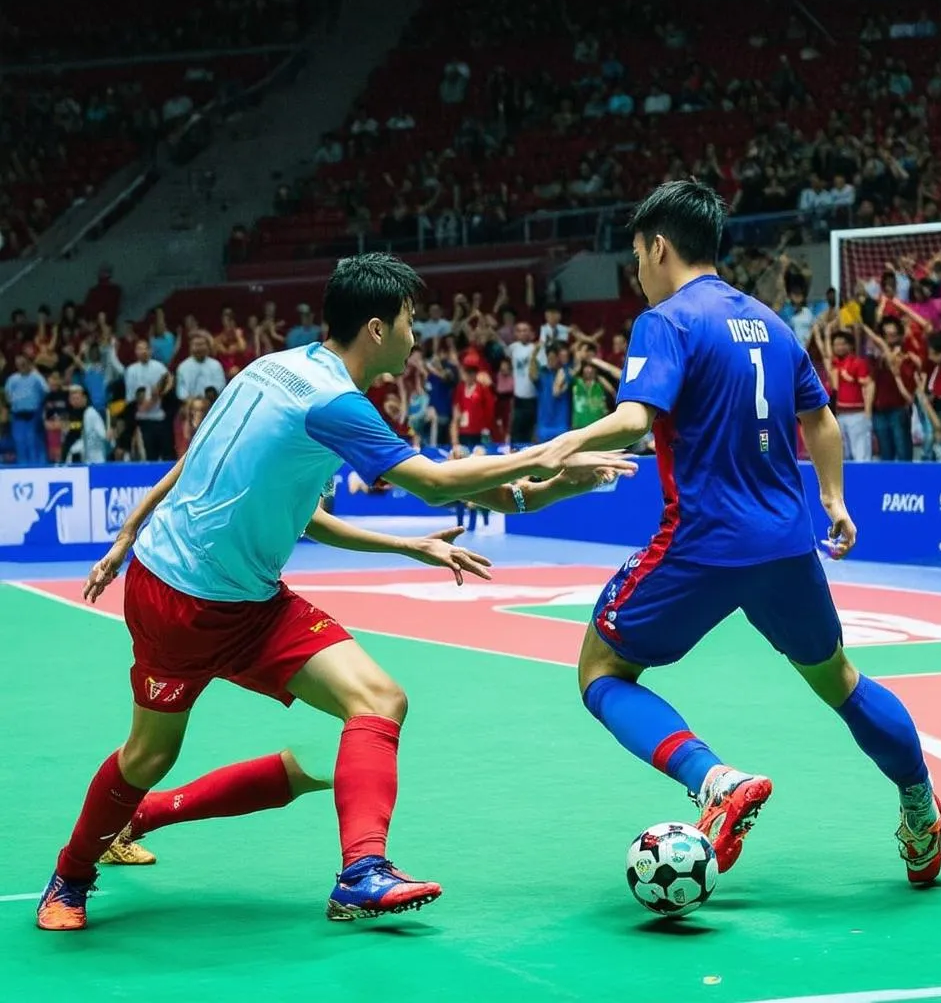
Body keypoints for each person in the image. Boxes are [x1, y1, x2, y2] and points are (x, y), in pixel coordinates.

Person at [37, 252, 634, 932]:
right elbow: (438, 484)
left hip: (251, 602)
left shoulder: (271, 369)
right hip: (180, 600)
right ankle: (71, 874)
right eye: (412, 322)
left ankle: (362, 875)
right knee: (150, 753)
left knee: (379, 700)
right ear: (376, 329)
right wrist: (554, 452)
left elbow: (290, 506)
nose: (420, 335)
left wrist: (424, 539)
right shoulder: (333, 403)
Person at [555, 180, 941, 886]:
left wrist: (555, 448)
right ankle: (920, 807)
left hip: (703, 543)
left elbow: (637, 421)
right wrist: (833, 499)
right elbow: (820, 416)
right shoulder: (770, 322)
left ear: (659, 247)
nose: (638, 273)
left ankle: (713, 781)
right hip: (788, 545)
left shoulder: (667, 321)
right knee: (840, 681)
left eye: (637, 257)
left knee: (601, 673)